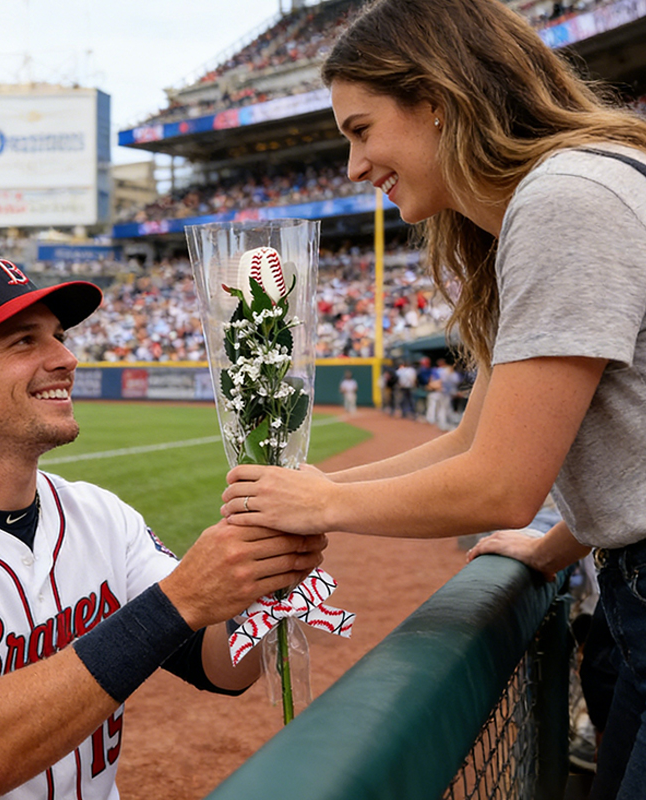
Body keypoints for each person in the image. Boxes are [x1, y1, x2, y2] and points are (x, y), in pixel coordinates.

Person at [218, 1, 646, 797]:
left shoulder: (566, 199)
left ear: (438, 102)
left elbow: (500, 484)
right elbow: (470, 442)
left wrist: (317, 506)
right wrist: (302, 491)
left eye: (359, 130)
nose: (352, 167)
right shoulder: (562, 193)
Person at [0, 255, 326, 800]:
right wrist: (182, 598)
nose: (67, 358)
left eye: (58, 336)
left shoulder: (100, 515)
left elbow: (222, 669)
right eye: (24, 342)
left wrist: (263, 575)